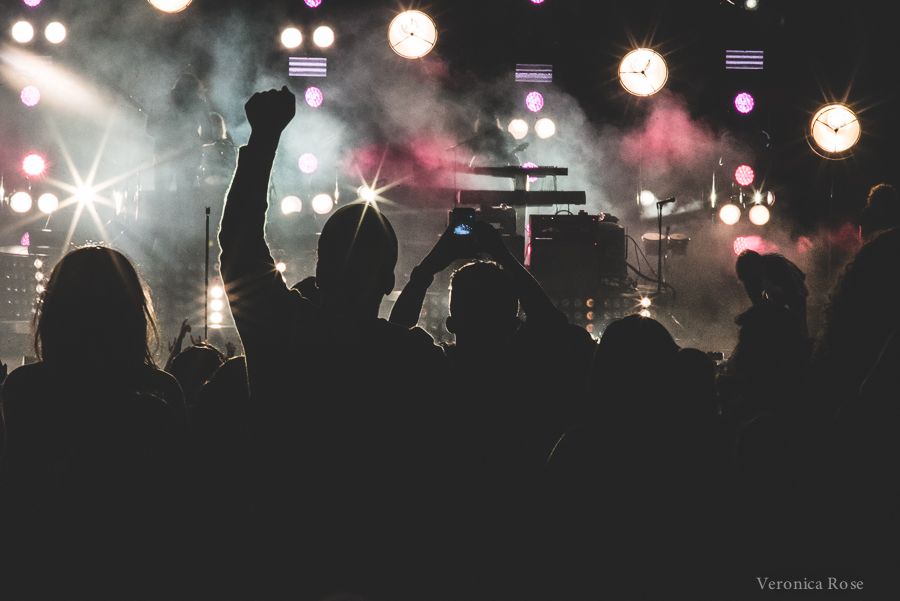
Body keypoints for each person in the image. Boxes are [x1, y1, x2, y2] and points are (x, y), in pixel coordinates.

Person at [218, 86, 452, 599]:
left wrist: (264, 140)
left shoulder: (284, 330)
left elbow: (238, 242)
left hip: (282, 554)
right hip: (384, 562)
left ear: (320, 271)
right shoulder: (414, 358)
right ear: (388, 281)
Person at [0, 245, 193, 597]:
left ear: (54, 313)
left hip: (44, 575)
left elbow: (16, 500)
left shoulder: (24, 388)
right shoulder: (161, 389)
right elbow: (178, 514)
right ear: (132, 313)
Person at [146, 73, 212, 196]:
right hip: (187, 155)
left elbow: (149, 129)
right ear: (196, 88)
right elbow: (208, 135)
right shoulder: (199, 104)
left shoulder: (161, 101)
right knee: (185, 196)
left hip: (164, 153)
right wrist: (195, 142)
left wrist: (165, 132)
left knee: (161, 196)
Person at [735, 249, 809, 335]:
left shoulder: (777, 263)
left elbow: (794, 289)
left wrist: (777, 289)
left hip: (794, 288)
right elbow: (756, 302)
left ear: (759, 263)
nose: (755, 276)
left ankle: (802, 338)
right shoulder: (749, 277)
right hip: (778, 292)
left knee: (799, 322)